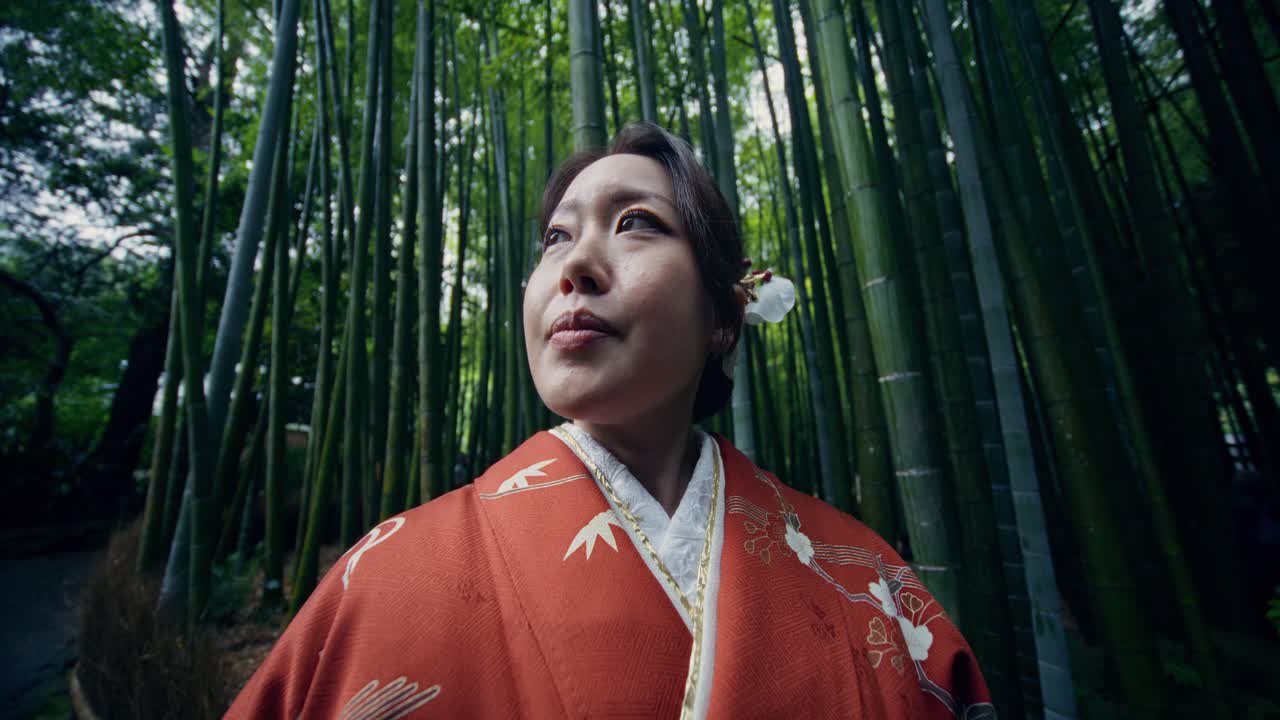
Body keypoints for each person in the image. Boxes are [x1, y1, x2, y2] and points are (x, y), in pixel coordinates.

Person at [226, 123, 991, 719]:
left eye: (636, 223)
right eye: (556, 236)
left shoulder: (870, 582)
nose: (575, 264)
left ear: (725, 319)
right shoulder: (389, 579)